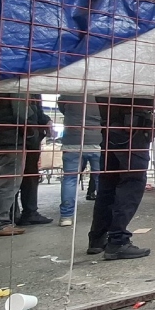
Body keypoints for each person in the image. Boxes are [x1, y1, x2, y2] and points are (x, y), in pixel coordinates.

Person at [87, 97, 155, 260]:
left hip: (110, 127)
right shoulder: (137, 72)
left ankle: (98, 238)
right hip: (132, 128)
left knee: (108, 184)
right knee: (132, 183)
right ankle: (117, 241)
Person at [0, 93, 49, 237]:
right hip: (12, 141)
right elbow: (24, 116)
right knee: (7, 184)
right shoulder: (18, 89)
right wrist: (33, 136)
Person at [58, 95, 103, 226]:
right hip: (96, 141)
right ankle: (102, 215)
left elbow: (62, 107)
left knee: (70, 179)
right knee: (101, 179)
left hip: (72, 141)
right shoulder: (100, 94)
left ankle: (66, 216)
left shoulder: (69, 92)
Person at [15, 94, 54, 226]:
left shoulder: (33, 91)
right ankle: (11, 215)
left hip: (27, 139)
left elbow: (37, 112)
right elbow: (23, 114)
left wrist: (47, 121)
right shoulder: (19, 86)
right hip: (20, 139)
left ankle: (26, 212)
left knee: (28, 176)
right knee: (13, 179)